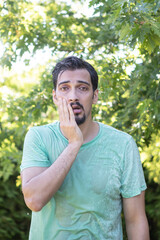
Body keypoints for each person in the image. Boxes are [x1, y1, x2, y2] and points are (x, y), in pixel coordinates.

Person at [21, 56, 150, 240]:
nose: (73, 96)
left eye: (82, 88)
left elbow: (135, 219)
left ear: (95, 96)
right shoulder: (38, 137)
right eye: (65, 88)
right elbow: (34, 200)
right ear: (55, 97)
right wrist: (74, 143)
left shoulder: (123, 144)